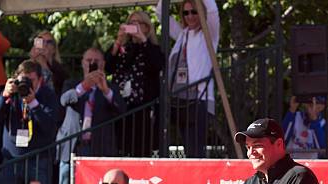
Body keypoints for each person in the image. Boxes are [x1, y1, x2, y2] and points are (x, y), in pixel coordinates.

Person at [0, 60, 58, 184]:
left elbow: (50, 127)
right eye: (23, 80)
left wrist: (33, 103)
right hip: (12, 160)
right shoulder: (12, 93)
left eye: (30, 81)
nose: (26, 85)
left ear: (39, 80)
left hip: (38, 161)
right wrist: (4, 96)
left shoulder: (48, 95)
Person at [156, 0, 219, 158]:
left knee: (196, 146)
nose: (190, 16)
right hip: (180, 98)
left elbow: (212, 11)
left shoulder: (209, 34)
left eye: (194, 12)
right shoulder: (182, 34)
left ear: (201, 13)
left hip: (200, 97)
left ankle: (200, 180)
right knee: (188, 146)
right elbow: (160, 12)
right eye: (186, 12)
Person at [105, 11, 164, 156]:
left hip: (142, 108)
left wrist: (143, 39)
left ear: (147, 27)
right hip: (120, 105)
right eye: (131, 23)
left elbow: (158, 64)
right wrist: (118, 41)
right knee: (119, 146)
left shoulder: (151, 48)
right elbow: (107, 67)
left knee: (139, 147)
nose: (134, 27)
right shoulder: (123, 50)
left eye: (138, 23)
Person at [65, 48, 126, 157]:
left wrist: (106, 91)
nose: (92, 63)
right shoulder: (71, 84)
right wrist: (83, 86)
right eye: (89, 60)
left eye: (96, 61)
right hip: (73, 145)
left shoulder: (111, 88)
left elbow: (121, 110)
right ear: (83, 63)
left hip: (100, 146)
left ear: (102, 64)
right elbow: (64, 100)